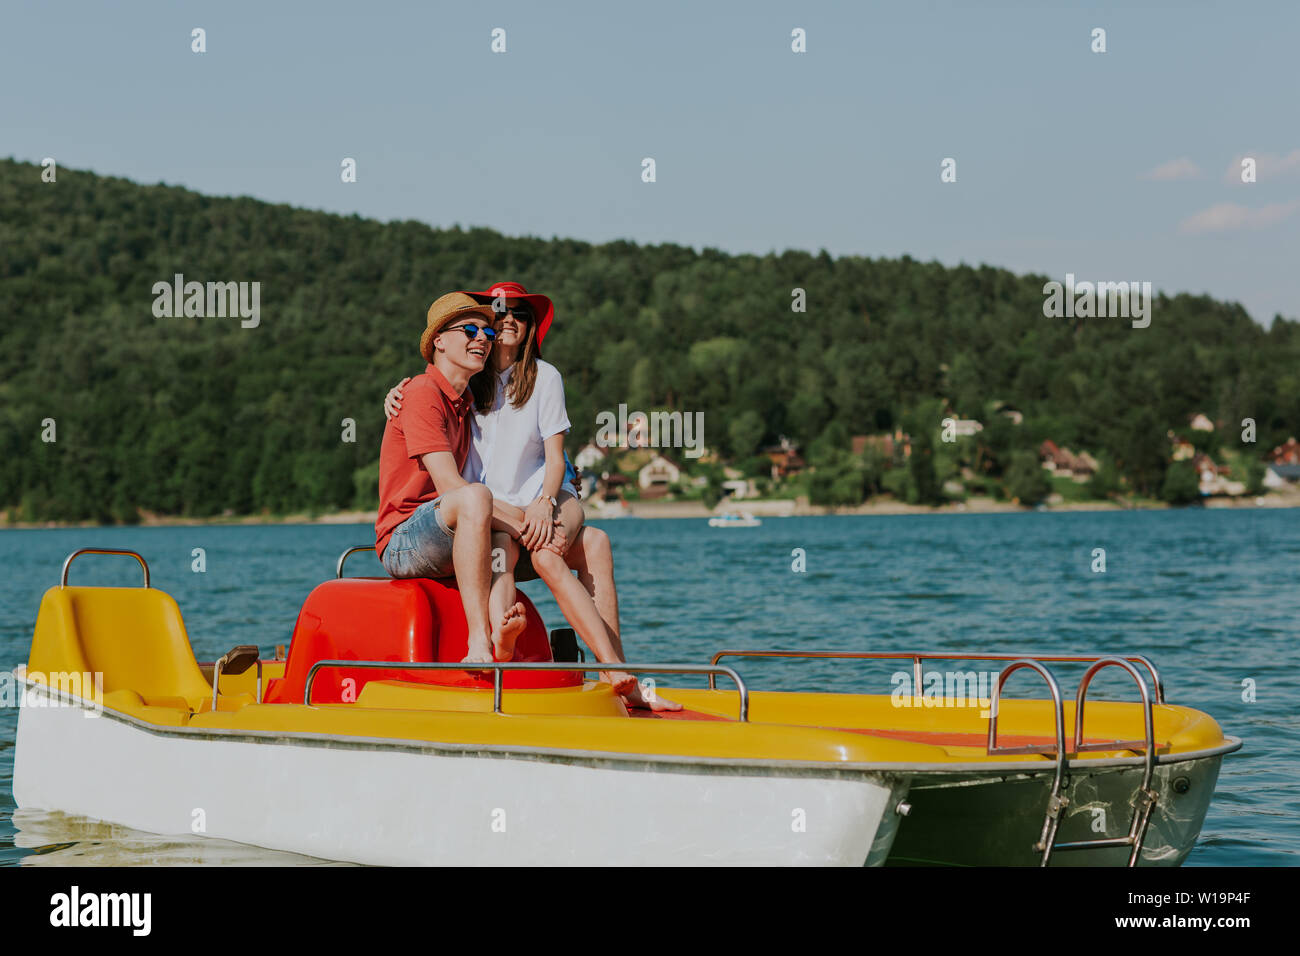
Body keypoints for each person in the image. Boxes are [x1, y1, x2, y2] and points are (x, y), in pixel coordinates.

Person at [385, 281, 678, 711]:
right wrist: (399, 393)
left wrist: (547, 504)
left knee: (593, 542)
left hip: (521, 506)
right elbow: (446, 461)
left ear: (530, 327)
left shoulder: (523, 379)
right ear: (442, 342)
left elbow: (556, 459)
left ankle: (616, 671)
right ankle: (491, 643)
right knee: (496, 522)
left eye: (516, 316)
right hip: (474, 516)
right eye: (487, 322)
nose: (495, 329)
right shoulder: (466, 386)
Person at [374, 291, 529, 665]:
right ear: (438, 341)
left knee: (501, 544)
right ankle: (476, 644)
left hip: (445, 531)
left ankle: (500, 638)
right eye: (470, 330)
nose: (482, 339)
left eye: (487, 335)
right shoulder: (423, 392)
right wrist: (524, 523)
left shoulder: (465, 402)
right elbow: (449, 488)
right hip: (403, 539)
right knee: (477, 498)